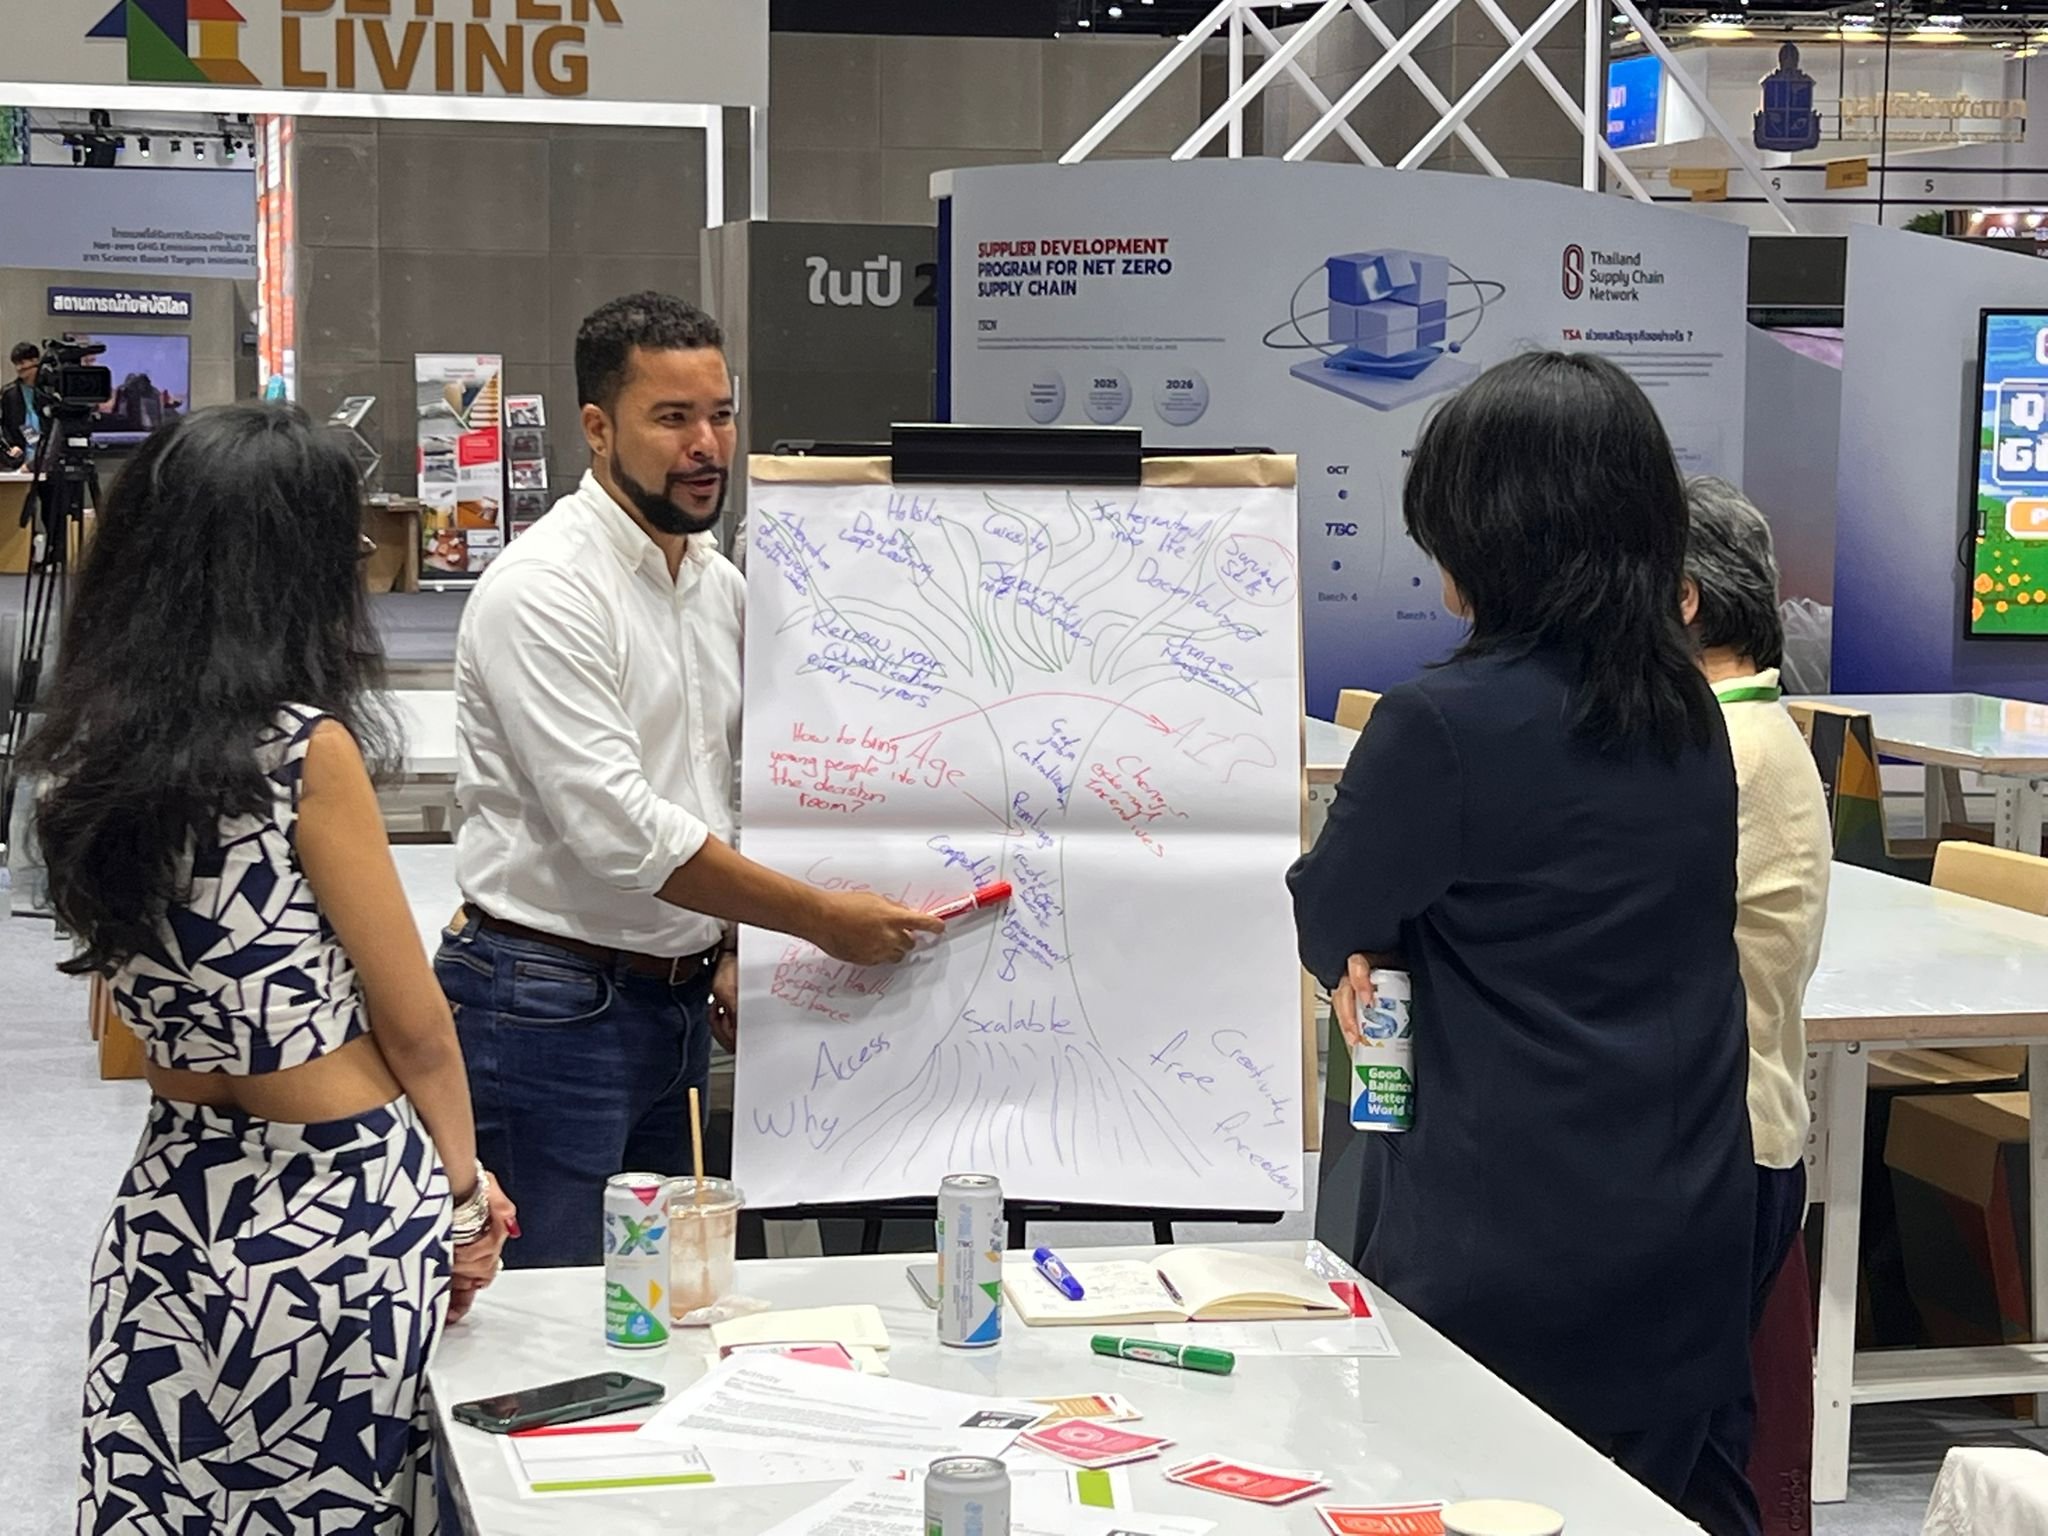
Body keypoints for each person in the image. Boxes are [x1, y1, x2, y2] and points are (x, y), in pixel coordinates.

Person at [1289, 352, 1758, 1535]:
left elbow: (1332, 915)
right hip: (1683, 1217)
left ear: (1478, 539)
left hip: (1497, 1241)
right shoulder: (1685, 712)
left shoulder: (1440, 726)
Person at [28, 404, 515, 1534]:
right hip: (331, 1205)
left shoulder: (81, 759)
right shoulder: (303, 753)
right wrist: (460, 1192)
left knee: (166, 1498)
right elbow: (417, 1023)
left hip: (176, 1200)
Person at [437, 292, 942, 1268]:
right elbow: (621, 831)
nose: (706, 444)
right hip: (543, 1009)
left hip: (672, 1011)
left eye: (718, 413)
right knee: (549, 1328)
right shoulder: (544, 591)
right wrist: (816, 919)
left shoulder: (718, 587)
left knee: (677, 1305)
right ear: (597, 428)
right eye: (671, 419)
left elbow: (736, 789)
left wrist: (727, 941)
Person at [1684, 476, 1832, 1535]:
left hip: (1723, 1141)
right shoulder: (1730, 737)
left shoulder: (1718, 754)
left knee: (1697, 1449)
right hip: (1734, 1129)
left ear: (1680, 601)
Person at [1, 341, 44, 468]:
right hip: (21, 454)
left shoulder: (48, 391)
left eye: (22, 363)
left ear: (35, 361)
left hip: (45, 454)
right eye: (16, 364)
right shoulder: (10, 393)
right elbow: (5, 424)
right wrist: (11, 445)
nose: (19, 368)